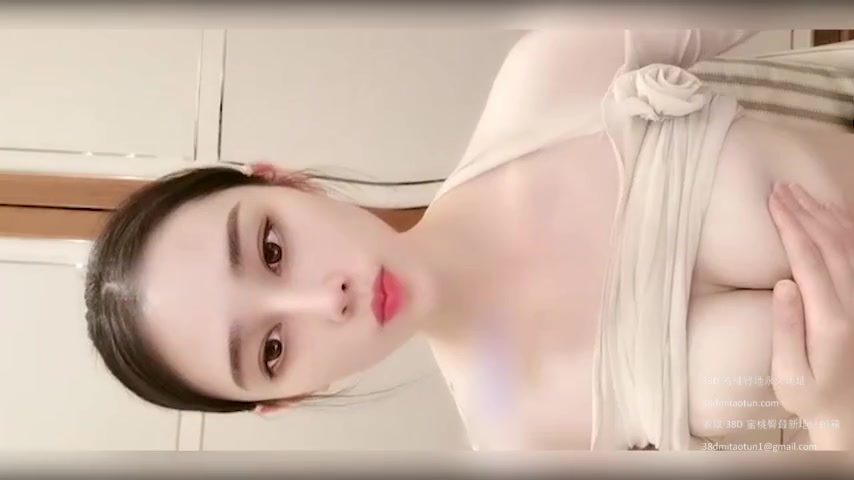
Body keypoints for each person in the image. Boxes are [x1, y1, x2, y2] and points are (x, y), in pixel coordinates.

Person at [83, 30, 854, 450]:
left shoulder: (547, 83)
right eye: (273, 350)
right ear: (286, 398)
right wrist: (832, 419)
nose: (327, 299)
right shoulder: (525, 443)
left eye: (273, 249)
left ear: (284, 183)